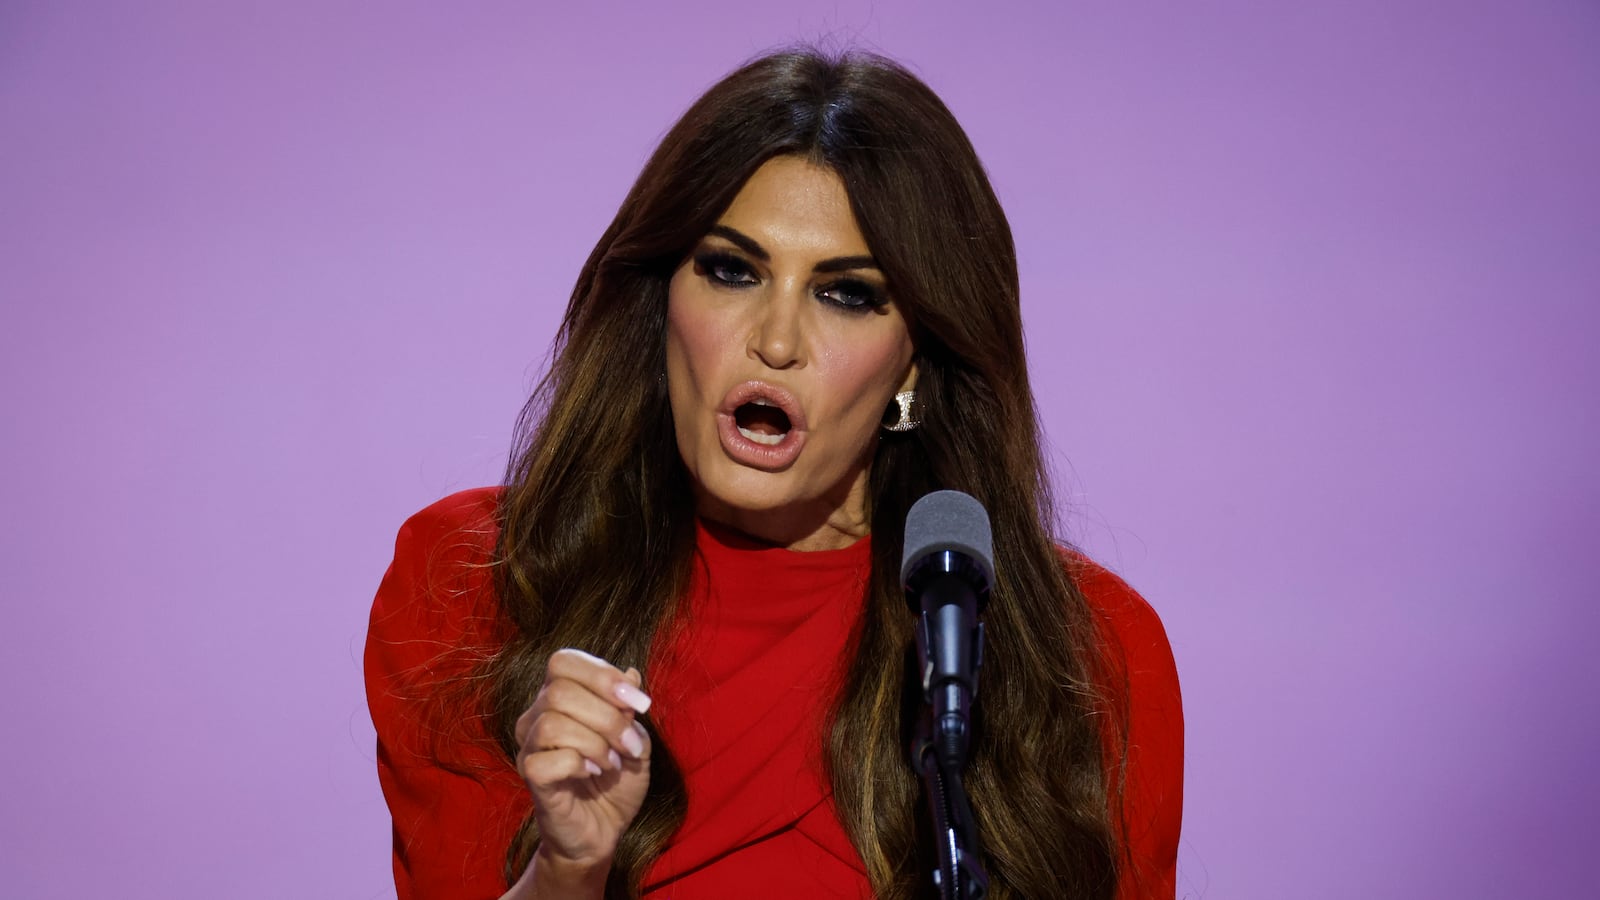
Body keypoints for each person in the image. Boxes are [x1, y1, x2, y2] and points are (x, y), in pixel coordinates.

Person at [365, 48, 1182, 900]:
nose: (778, 340)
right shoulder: (476, 584)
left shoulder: (1089, 654)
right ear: (662, 306)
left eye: (848, 294)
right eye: (731, 270)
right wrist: (568, 868)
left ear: (913, 365)